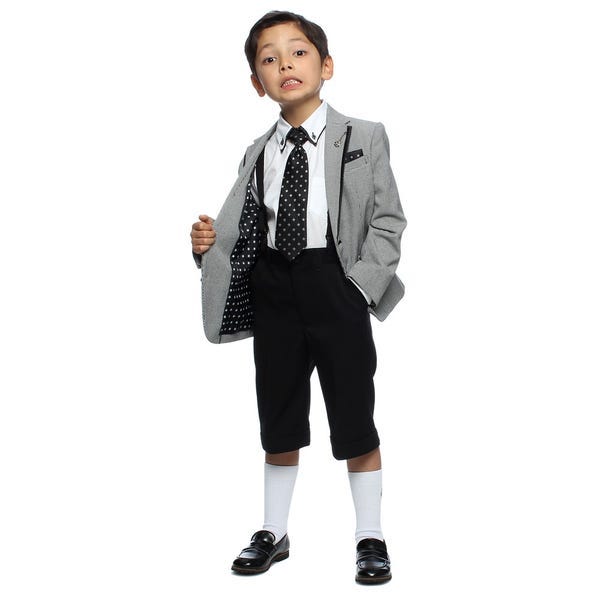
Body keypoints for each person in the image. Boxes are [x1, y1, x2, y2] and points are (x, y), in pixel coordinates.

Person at [189, 10, 406, 584]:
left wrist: (358, 287)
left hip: (336, 283)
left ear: (326, 65)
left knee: (354, 413)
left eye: (298, 51)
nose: (285, 63)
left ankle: (370, 535)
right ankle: (273, 530)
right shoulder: (257, 152)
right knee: (278, 413)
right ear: (257, 82)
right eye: (269, 58)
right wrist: (206, 246)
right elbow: (242, 232)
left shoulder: (364, 136)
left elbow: (388, 221)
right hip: (274, 290)